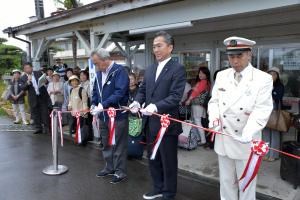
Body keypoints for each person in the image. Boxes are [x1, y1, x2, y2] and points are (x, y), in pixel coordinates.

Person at [208, 36, 273, 200]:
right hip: (223, 139)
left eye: (239, 56)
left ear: (249, 55)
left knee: (246, 185)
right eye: (231, 56)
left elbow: (262, 109)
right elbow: (214, 101)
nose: (235, 61)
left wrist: (249, 132)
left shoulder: (262, 79)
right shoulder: (222, 75)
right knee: (226, 182)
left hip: (246, 141)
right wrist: (214, 120)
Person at [129, 31, 186, 200]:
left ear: (170, 47)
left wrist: (156, 106)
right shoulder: (150, 68)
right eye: (154, 46)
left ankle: (169, 192)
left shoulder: (178, 68)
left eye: (159, 45)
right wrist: (137, 102)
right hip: (150, 122)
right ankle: (157, 187)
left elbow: (176, 96)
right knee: (153, 158)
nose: (156, 49)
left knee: (168, 161)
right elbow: (143, 89)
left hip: (167, 124)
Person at [90, 48, 129, 184]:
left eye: (96, 63)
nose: (95, 66)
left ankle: (120, 171)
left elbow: (120, 92)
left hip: (117, 116)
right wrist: (94, 104)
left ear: (105, 59)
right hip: (103, 115)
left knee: (118, 144)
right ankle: (109, 167)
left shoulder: (120, 71)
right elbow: (95, 90)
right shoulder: (99, 73)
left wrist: (104, 104)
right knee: (106, 143)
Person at [20, 62, 51, 134]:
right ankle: (38, 128)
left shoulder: (38, 73)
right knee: (35, 113)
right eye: (25, 68)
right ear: (24, 70)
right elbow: (22, 88)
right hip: (33, 98)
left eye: (28, 68)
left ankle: (47, 128)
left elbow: (45, 82)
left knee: (44, 112)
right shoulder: (23, 78)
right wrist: (27, 82)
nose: (27, 69)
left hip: (42, 96)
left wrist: (45, 80)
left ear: (32, 68)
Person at [263, 67, 284, 162]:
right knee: (266, 133)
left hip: (275, 112)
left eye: (274, 74)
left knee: (274, 134)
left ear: (278, 76)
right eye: (270, 74)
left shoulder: (279, 85)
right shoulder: (264, 84)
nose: (272, 76)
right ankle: (265, 153)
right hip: (265, 112)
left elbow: (277, 96)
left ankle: (274, 155)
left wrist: (271, 91)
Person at [185, 67, 211, 146]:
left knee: (197, 122)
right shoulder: (206, 82)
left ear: (206, 74)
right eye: (199, 73)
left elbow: (195, 92)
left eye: (203, 73)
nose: (200, 75)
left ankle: (202, 140)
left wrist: (189, 99)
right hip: (199, 105)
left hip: (197, 105)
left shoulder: (203, 82)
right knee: (196, 121)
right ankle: (199, 138)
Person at [68, 75, 89, 142]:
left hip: (81, 113)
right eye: (72, 81)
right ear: (70, 82)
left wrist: (85, 112)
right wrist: (69, 106)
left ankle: (82, 140)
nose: (74, 82)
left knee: (81, 127)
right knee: (76, 127)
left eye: (75, 80)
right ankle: (78, 139)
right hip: (73, 113)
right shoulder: (71, 90)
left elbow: (85, 102)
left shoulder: (81, 90)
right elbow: (70, 100)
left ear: (78, 81)